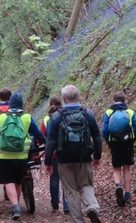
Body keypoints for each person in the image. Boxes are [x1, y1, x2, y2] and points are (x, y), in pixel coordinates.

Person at [44, 85, 102, 223]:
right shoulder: (88, 113)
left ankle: (78, 220)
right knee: (86, 185)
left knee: (70, 191)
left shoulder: (57, 116)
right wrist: (97, 157)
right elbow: (97, 137)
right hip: (84, 157)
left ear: (63, 99)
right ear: (78, 96)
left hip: (64, 159)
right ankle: (92, 207)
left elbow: (51, 141)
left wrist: (47, 162)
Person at [0, 93, 46, 220]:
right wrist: (48, 144)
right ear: (22, 104)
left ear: (10, 104)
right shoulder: (27, 117)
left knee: (8, 181)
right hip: (22, 155)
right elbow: (38, 134)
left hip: (4, 155)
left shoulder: (1, 117)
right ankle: (16, 205)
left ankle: (15, 207)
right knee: (18, 181)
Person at [102, 91, 136, 206]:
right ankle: (127, 194)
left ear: (114, 100)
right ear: (125, 100)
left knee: (116, 167)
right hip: (127, 142)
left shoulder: (108, 112)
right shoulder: (130, 112)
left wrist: (109, 141)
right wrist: (132, 138)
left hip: (114, 143)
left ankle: (118, 185)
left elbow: (105, 131)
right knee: (127, 168)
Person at [40, 95, 69, 214]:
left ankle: (55, 205)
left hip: (53, 154)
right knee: (67, 180)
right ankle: (67, 206)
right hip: (67, 153)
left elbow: (41, 136)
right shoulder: (67, 115)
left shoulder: (47, 119)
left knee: (54, 178)